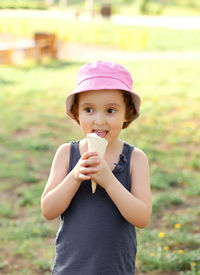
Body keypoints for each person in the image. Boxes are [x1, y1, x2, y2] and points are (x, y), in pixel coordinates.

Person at [41, 60, 152, 275]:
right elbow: (48, 210)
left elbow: (142, 217)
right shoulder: (66, 154)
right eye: (89, 109)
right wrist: (74, 177)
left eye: (111, 110)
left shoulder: (135, 159)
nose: (99, 120)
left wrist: (109, 181)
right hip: (70, 268)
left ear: (127, 114)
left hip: (115, 269)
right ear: (77, 113)